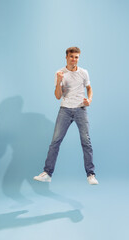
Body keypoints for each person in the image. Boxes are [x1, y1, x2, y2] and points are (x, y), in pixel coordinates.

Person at [34, 47, 98, 185]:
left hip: (81, 109)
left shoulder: (84, 73)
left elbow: (89, 88)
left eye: (76, 57)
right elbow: (58, 96)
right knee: (55, 142)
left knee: (86, 142)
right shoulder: (60, 73)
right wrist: (58, 81)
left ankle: (91, 175)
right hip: (65, 110)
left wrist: (90, 100)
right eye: (71, 57)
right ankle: (47, 173)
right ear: (66, 57)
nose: (74, 59)